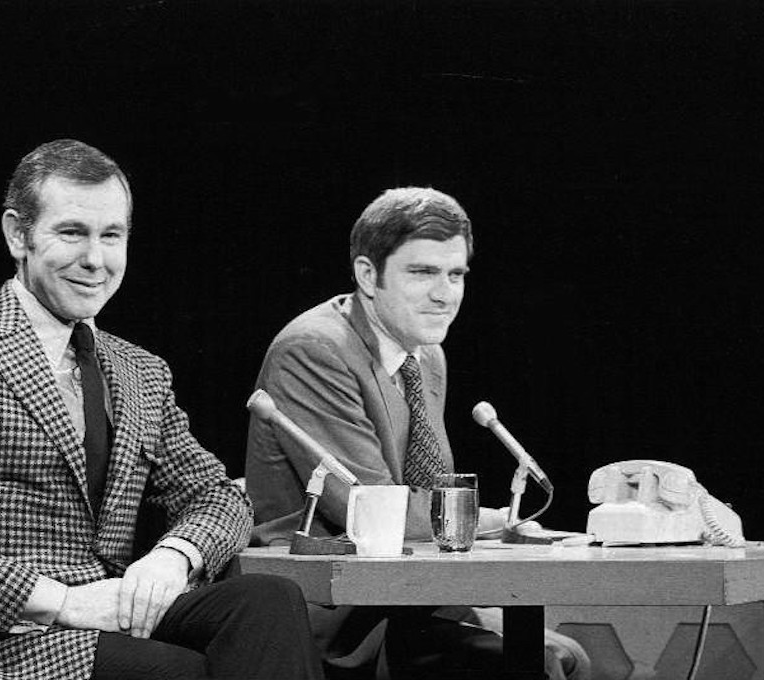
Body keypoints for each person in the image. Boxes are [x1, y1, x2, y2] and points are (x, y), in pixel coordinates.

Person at [0, 139, 323, 680]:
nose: (95, 259)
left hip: (117, 614)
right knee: (188, 671)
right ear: (17, 235)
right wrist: (62, 602)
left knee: (268, 602)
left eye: (111, 236)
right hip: (13, 640)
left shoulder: (140, 370)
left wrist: (175, 556)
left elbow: (216, 496)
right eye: (72, 232)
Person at [245, 187, 590, 680]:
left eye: (455, 275)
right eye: (423, 272)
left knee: (565, 654)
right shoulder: (314, 349)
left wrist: (509, 525)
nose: (444, 293)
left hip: (408, 593)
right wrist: (490, 521)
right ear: (368, 275)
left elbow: (427, 493)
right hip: (334, 611)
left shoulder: (425, 355)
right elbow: (371, 509)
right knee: (537, 664)